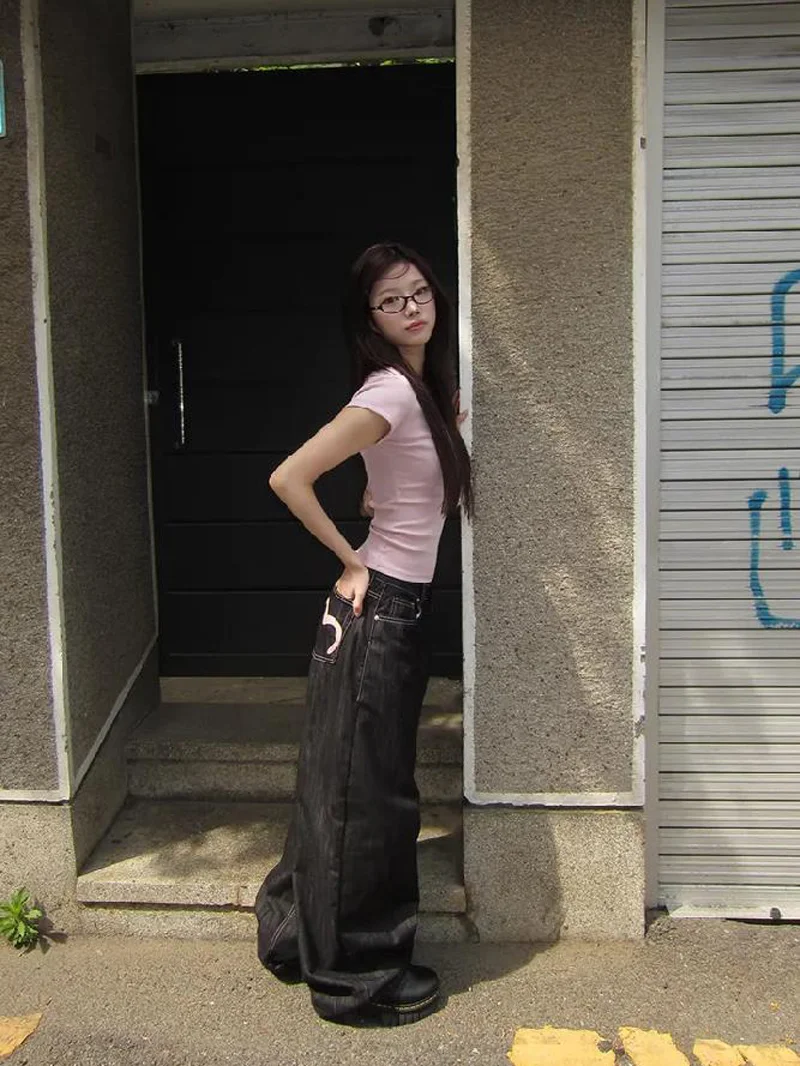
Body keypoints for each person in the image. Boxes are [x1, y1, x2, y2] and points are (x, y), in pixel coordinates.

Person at [254, 241, 473, 1027]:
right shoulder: (389, 391)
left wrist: (386, 494)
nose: (413, 309)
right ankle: (356, 981)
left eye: (420, 293)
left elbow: (395, 491)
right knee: (369, 802)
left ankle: (293, 936)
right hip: (379, 610)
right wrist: (351, 559)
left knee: (337, 784)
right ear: (370, 318)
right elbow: (289, 476)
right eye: (392, 301)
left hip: (391, 613)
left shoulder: (419, 393)